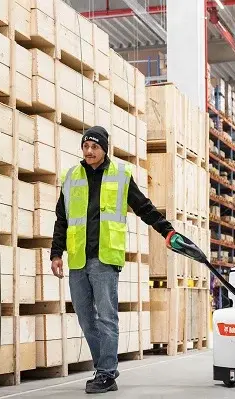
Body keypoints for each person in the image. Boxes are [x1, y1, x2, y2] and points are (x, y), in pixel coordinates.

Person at [50, 126, 177, 394]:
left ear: (104, 148)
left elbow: (143, 207)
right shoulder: (71, 176)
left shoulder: (120, 175)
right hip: (78, 257)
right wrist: (55, 253)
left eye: (94, 147)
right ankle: (105, 367)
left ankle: (106, 372)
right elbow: (62, 218)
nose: (89, 151)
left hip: (105, 257)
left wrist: (166, 230)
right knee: (85, 317)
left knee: (107, 317)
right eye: (85, 146)